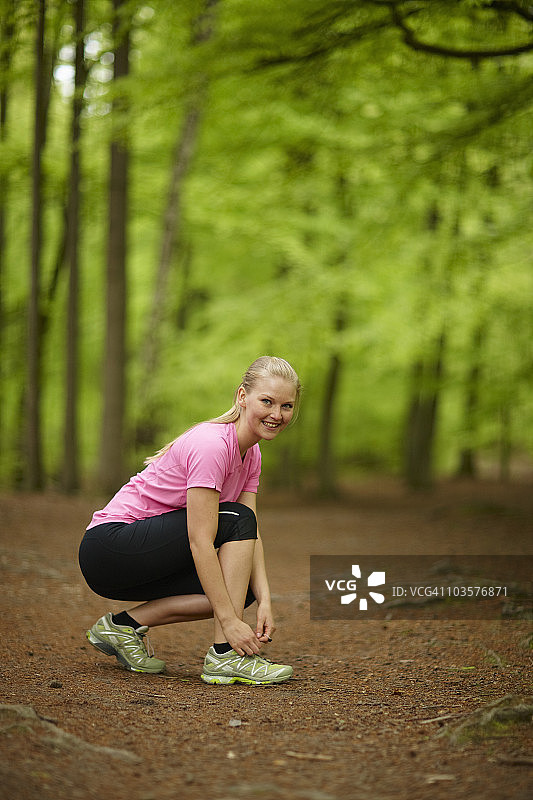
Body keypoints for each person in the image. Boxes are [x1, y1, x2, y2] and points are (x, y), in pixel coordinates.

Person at [79, 356, 301, 685]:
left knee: (242, 588)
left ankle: (122, 627)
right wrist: (230, 623)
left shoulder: (251, 454)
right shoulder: (212, 445)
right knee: (235, 527)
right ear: (242, 397)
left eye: (286, 406)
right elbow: (201, 540)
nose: (276, 414)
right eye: (266, 401)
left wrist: (265, 601)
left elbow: (250, 532)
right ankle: (225, 655)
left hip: (146, 553)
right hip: (109, 547)